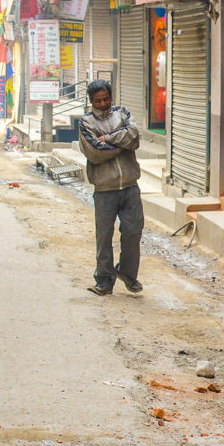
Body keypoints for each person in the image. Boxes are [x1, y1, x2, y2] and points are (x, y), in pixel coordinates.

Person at [77, 79, 143, 296]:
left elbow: (134, 137)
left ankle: (128, 273)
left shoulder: (122, 114)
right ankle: (104, 280)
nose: (103, 104)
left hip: (130, 186)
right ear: (91, 101)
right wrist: (121, 143)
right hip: (105, 189)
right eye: (98, 101)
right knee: (104, 236)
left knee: (133, 232)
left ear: (111, 97)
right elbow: (95, 152)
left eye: (106, 99)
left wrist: (108, 139)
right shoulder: (86, 123)